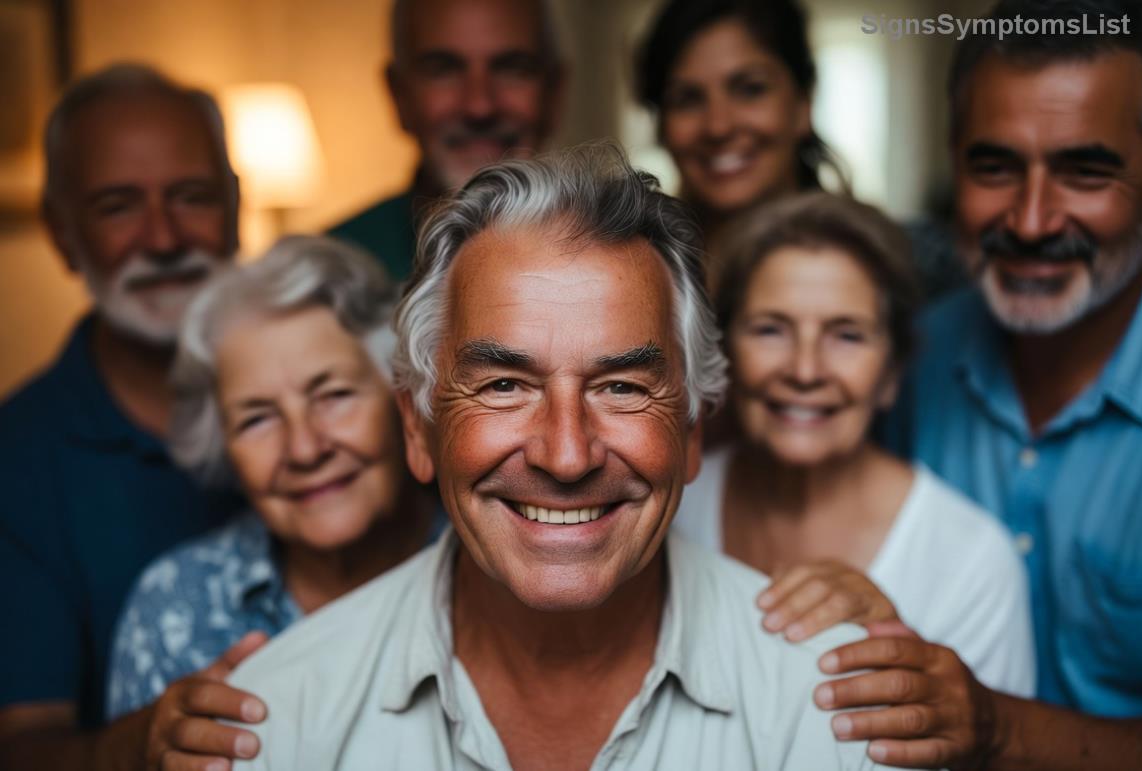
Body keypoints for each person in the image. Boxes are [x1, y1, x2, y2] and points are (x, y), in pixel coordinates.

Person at [226, 144, 888, 770]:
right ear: (418, 428)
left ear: (691, 430)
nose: (568, 456)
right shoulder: (278, 717)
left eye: (622, 387)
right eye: (505, 385)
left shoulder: (838, 711)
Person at [810, 1, 1142, 767]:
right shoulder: (907, 360)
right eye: (994, 167)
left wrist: (998, 726)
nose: (1031, 219)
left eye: (1085, 170)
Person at [0, 64, 266, 769]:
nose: (164, 236)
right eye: (119, 206)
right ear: (62, 231)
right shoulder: (17, 459)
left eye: (192, 197)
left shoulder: (338, 400)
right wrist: (151, 739)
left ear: (237, 207)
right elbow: (19, 745)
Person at [676, 192, 1034, 695]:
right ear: (724, 355)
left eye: (846, 335)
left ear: (892, 372)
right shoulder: (671, 508)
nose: (805, 371)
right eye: (770, 329)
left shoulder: (972, 564)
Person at [106, 235, 443, 721]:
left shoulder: (492, 568)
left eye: (333, 395)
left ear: (403, 402)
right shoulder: (174, 609)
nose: (305, 449)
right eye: (257, 419)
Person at [328, 0, 564, 280]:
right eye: (443, 70)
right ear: (398, 95)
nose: (480, 106)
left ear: (555, 93)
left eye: (512, 68)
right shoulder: (326, 278)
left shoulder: (616, 262)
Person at [635, 0, 844, 286]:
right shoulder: (637, 278)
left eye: (750, 89)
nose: (718, 127)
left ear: (803, 104)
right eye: (687, 99)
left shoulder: (880, 271)